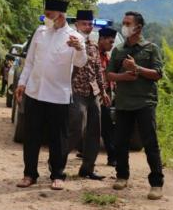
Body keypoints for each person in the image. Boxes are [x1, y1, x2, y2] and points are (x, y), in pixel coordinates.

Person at [15, 0, 87, 191]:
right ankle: (29, 174)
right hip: (35, 92)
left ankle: (57, 175)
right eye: (45, 14)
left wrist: (79, 49)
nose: (46, 18)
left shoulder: (75, 37)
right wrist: (22, 83)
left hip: (58, 96)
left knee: (58, 138)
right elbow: (30, 61)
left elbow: (81, 62)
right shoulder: (40, 32)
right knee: (31, 136)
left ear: (60, 16)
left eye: (49, 15)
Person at [106, 11, 165, 200]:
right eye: (123, 22)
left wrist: (137, 69)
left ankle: (156, 184)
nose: (124, 26)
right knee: (120, 142)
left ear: (138, 27)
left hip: (144, 102)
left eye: (127, 23)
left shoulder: (151, 48)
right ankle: (122, 176)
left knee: (150, 143)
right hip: (123, 103)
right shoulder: (118, 50)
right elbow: (109, 74)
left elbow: (157, 74)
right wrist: (123, 76)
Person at [68, 10, 111, 180]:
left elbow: (98, 70)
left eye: (90, 23)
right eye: (84, 23)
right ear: (77, 24)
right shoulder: (69, 42)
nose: (87, 26)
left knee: (95, 130)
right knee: (76, 127)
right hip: (75, 91)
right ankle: (57, 163)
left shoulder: (93, 45)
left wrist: (103, 90)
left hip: (93, 93)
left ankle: (87, 168)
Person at [98, 27, 118, 167]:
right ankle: (112, 157)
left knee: (106, 126)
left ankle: (112, 157)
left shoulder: (106, 56)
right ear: (102, 39)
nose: (112, 45)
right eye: (110, 42)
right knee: (105, 127)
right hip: (96, 96)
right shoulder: (93, 55)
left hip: (106, 97)